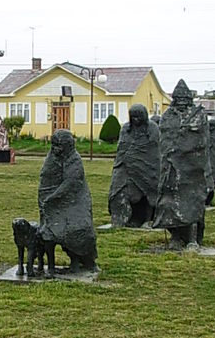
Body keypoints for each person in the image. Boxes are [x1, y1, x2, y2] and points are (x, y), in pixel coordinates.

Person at [153, 79, 213, 248]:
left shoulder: (199, 116)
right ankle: (176, 237)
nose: (181, 105)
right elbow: (164, 140)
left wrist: (186, 140)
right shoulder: (167, 116)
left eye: (184, 102)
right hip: (172, 169)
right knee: (170, 204)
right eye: (178, 102)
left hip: (192, 169)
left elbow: (202, 141)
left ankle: (193, 239)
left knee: (193, 204)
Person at [38, 129, 97, 273]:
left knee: (78, 228)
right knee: (48, 231)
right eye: (54, 146)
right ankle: (50, 266)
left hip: (75, 201)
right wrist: (48, 197)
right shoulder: (51, 158)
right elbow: (45, 179)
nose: (56, 150)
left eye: (60, 146)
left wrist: (54, 196)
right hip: (52, 202)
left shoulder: (74, 160)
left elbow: (71, 183)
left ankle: (78, 261)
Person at [108, 104, 160, 227]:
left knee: (150, 190)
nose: (136, 119)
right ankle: (122, 218)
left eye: (138, 117)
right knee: (118, 188)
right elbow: (122, 147)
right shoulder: (126, 128)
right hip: (126, 164)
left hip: (147, 165)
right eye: (133, 117)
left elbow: (153, 150)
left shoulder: (152, 128)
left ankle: (149, 219)